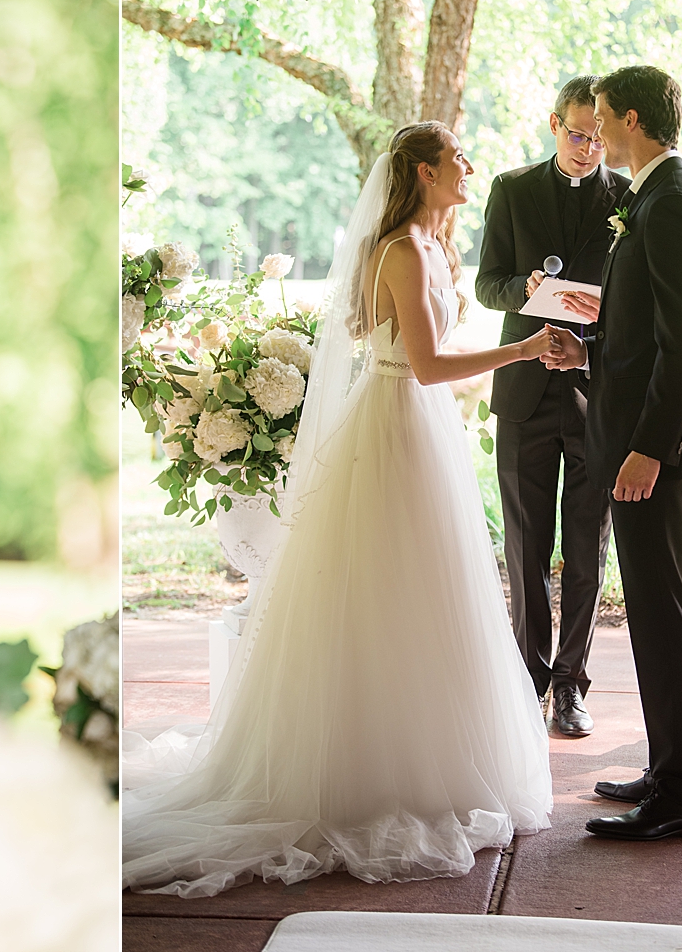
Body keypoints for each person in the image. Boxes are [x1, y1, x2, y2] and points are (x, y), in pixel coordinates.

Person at [123, 123, 558, 897]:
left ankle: (429, 763)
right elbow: (424, 366)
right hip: (395, 426)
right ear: (425, 171)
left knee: (428, 597)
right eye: (458, 158)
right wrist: (523, 350)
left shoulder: (435, 245)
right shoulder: (398, 249)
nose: (470, 167)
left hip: (424, 433)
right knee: (385, 595)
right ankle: (366, 776)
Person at [544, 65, 682, 841]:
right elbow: (647, 330)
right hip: (639, 439)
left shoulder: (673, 202)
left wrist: (650, 447)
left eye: (600, 120)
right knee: (657, 611)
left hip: (657, 451)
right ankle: (672, 765)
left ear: (629, 118)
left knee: (663, 613)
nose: (595, 132)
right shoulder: (653, 197)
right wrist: (584, 354)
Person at [475, 76, 631, 737]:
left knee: (587, 548)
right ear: (552, 123)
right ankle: (527, 679)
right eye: (576, 133)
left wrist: (592, 342)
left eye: (598, 137)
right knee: (525, 544)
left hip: (596, 395)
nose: (589, 147)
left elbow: (634, 299)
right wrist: (525, 286)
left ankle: (571, 684)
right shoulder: (511, 189)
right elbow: (487, 283)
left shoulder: (628, 197)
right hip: (524, 392)